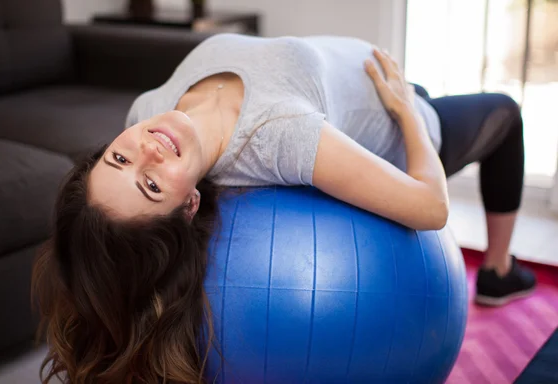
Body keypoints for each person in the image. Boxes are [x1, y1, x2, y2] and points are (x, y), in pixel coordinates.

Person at [32, 33, 536, 383]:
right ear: (189, 205)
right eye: (149, 185)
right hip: (403, 123)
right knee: (508, 118)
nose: (147, 151)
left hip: (372, 85)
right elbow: (431, 207)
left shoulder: (146, 112)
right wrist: (407, 112)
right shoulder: (279, 136)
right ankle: (496, 271)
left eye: (118, 158)